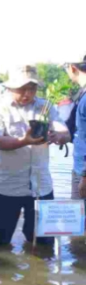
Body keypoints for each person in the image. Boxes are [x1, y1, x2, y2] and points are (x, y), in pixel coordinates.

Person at [0, 65, 70, 246]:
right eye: (22, 88)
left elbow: (65, 132)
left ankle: (41, 273)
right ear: (9, 87)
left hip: (40, 186)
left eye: (32, 88)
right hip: (4, 186)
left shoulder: (45, 105)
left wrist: (58, 136)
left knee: (44, 243)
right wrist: (24, 141)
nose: (27, 93)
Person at [65, 56, 86, 201]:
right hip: (81, 169)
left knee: (80, 221)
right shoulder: (82, 94)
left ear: (72, 68)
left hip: (83, 172)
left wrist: (85, 176)